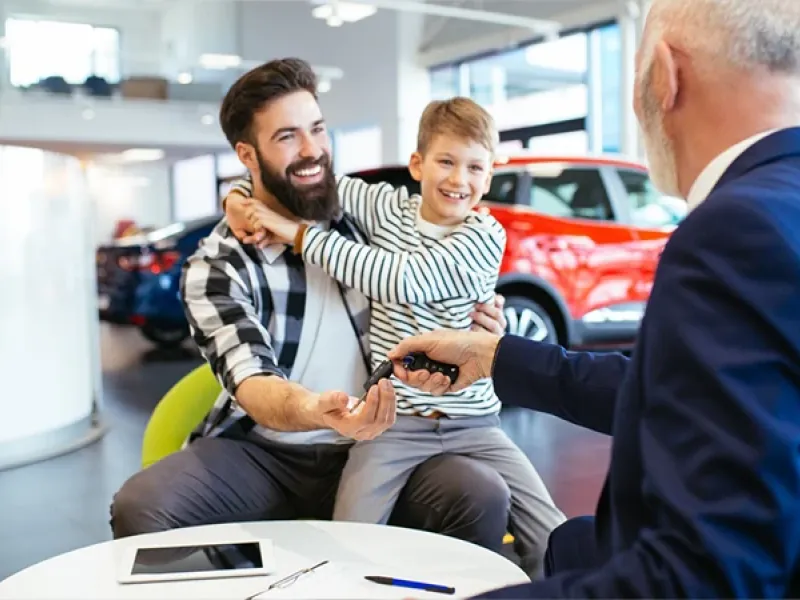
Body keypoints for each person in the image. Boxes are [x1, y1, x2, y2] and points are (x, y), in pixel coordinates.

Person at [385, 0, 800, 596]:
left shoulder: (734, 231)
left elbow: (703, 575)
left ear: (664, 75)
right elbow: (674, 393)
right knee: (568, 538)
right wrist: (494, 356)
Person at [108, 58, 515, 563]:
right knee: (141, 506)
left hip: (386, 439)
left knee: (480, 492)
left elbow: (442, 270)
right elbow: (253, 382)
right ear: (247, 154)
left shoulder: (366, 222)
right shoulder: (218, 265)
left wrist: (490, 319)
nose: (311, 150)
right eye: (286, 137)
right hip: (265, 452)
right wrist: (312, 410)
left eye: (317, 129)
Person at [223, 97, 566, 577]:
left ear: (488, 178)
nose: (458, 180)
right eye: (446, 161)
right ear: (417, 165)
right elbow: (304, 184)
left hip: (475, 422)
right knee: (348, 538)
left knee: (550, 531)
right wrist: (237, 197)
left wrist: (295, 234)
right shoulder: (384, 208)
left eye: (474, 168)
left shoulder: (486, 234)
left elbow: (400, 279)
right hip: (394, 422)